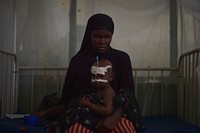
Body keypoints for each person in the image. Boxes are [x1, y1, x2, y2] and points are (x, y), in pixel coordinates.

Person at [34, 13, 143, 133]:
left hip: (115, 113)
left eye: (107, 37)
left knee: (125, 130)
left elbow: (127, 96)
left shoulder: (121, 58)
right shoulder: (78, 61)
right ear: (88, 35)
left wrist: (112, 119)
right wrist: (45, 113)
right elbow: (69, 101)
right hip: (84, 114)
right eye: (97, 36)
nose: (102, 41)